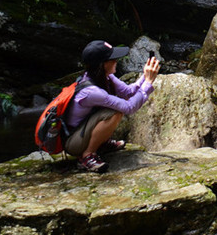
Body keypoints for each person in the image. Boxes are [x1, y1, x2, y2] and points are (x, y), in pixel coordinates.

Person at [63, 40, 160, 173]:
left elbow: (128, 92)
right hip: (74, 142)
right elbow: (129, 107)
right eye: (112, 59)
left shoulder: (105, 77)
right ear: (102, 64)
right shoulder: (92, 91)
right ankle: (87, 156)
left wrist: (145, 75)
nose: (116, 60)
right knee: (114, 113)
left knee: (114, 110)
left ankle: (101, 144)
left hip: (82, 132)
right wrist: (148, 82)